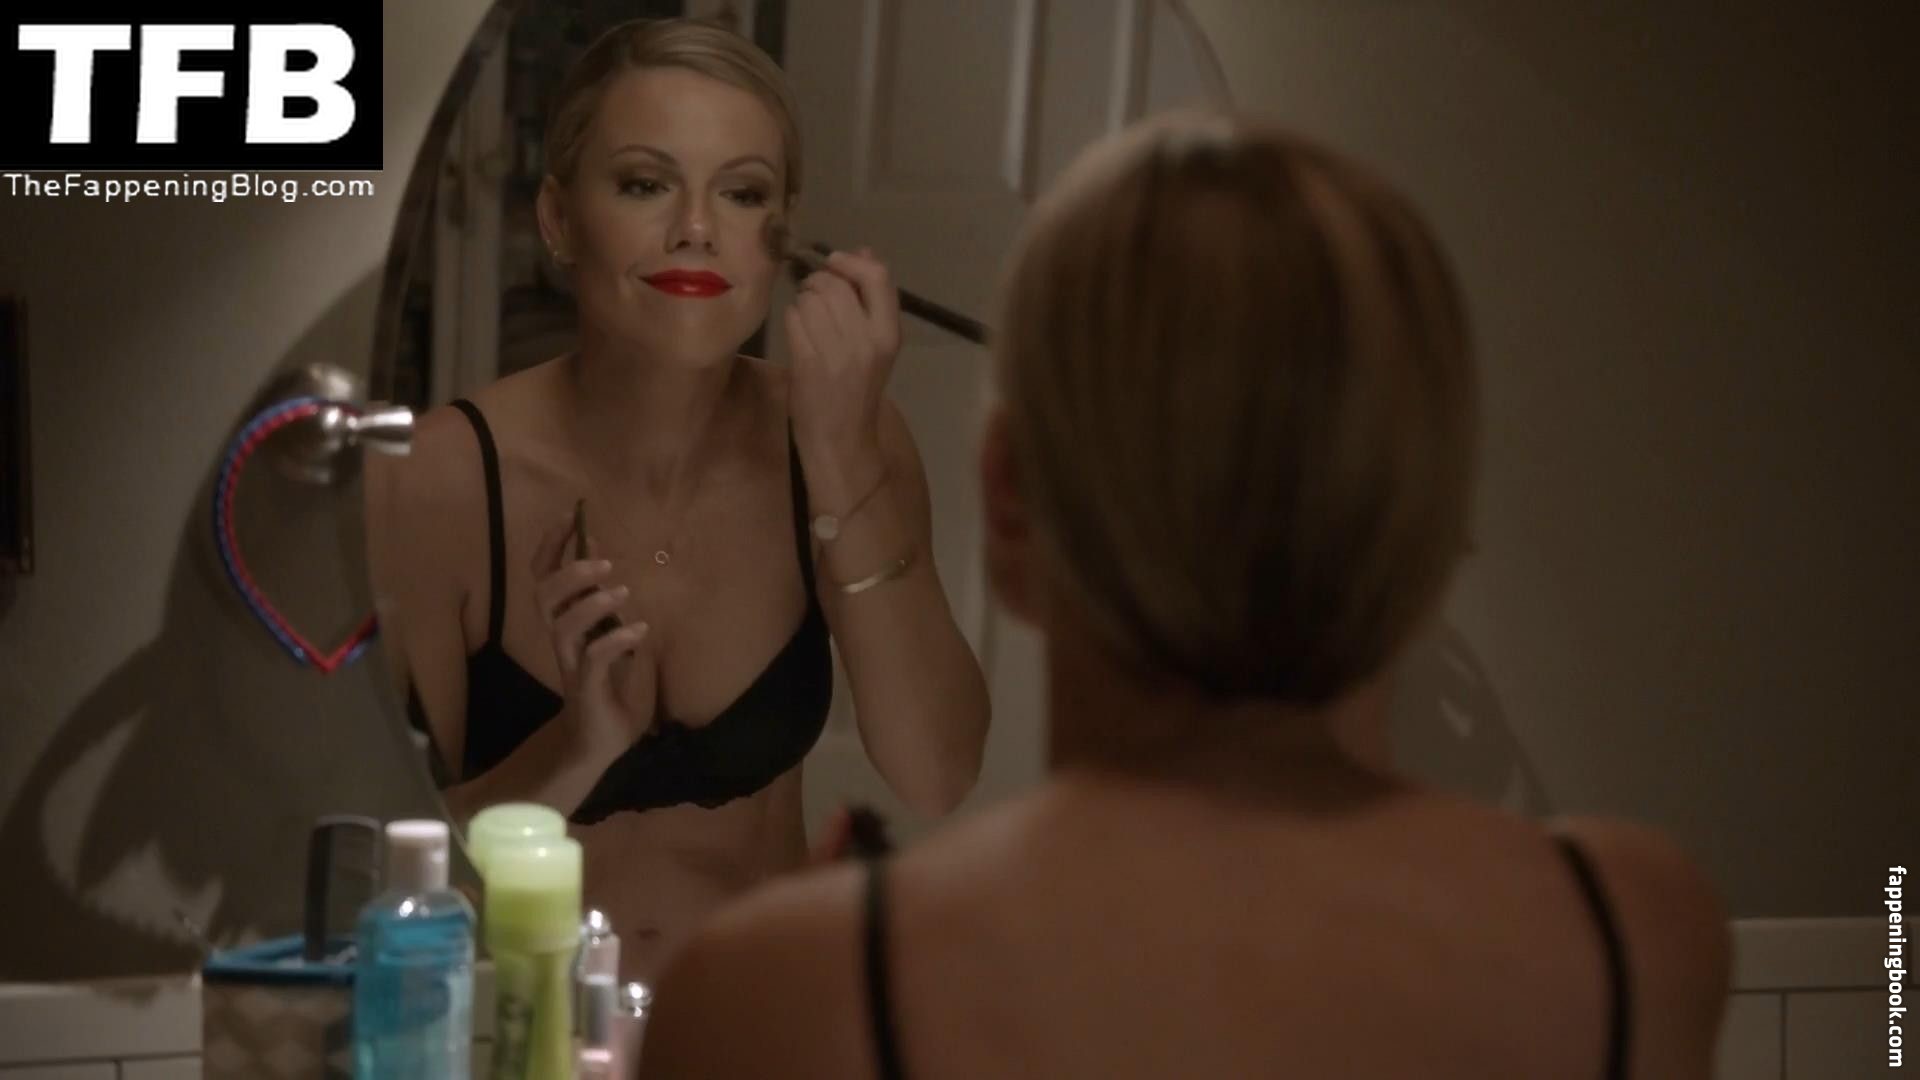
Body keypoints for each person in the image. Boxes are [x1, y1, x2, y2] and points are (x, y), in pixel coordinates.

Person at [635, 113, 1732, 1078]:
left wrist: (842, 950)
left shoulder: (781, 993)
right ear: (1428, 509)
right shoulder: (1632, 933)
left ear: (1010, 503)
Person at [367, 18, 990, 980]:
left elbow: (937, 773)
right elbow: (394, 888)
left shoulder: (845, 442)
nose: (697, 228)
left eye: (742, 193)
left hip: (755, 1024)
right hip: (521, 1028)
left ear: (784, 239)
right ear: (557, 219)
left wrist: (841, 462)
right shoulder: (435, 478)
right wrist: (575, 745)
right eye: (644, 184)